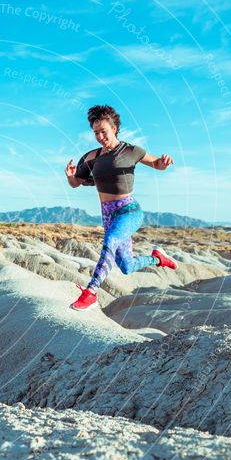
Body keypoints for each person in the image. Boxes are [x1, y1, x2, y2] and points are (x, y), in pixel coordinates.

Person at [64, 104, 178, 311]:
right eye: (96, 132)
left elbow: (156, 164)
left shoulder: (131, 151)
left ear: (114, 128)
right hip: (108, 216)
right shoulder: (91, 157)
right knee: (126, 266)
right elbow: (75, 184)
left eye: (103, 131)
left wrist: (164, 161)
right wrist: (71, 176)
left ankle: (90, 292)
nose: (100, 136)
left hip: (129, 211)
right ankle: (157, 258)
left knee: (111, 240)